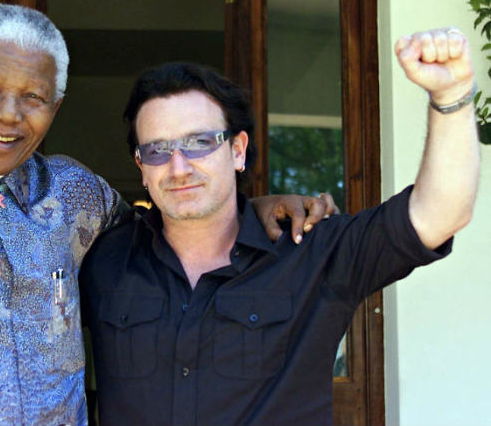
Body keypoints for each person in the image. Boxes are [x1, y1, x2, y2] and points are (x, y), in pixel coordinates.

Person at [0, 4, 331, 425]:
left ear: (57, 105)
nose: (8, 114)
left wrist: (244, 206)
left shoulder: (77, 196)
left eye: (34, 96)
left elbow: (165, 236)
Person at [79, 27, 479, 425]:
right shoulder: (102, 258)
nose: (179, 167)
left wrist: (451, 97)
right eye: (157, 150)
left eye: (200, 142)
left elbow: (439, 214)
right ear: (141, 168)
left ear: (237, 151)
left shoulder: (313, 252)